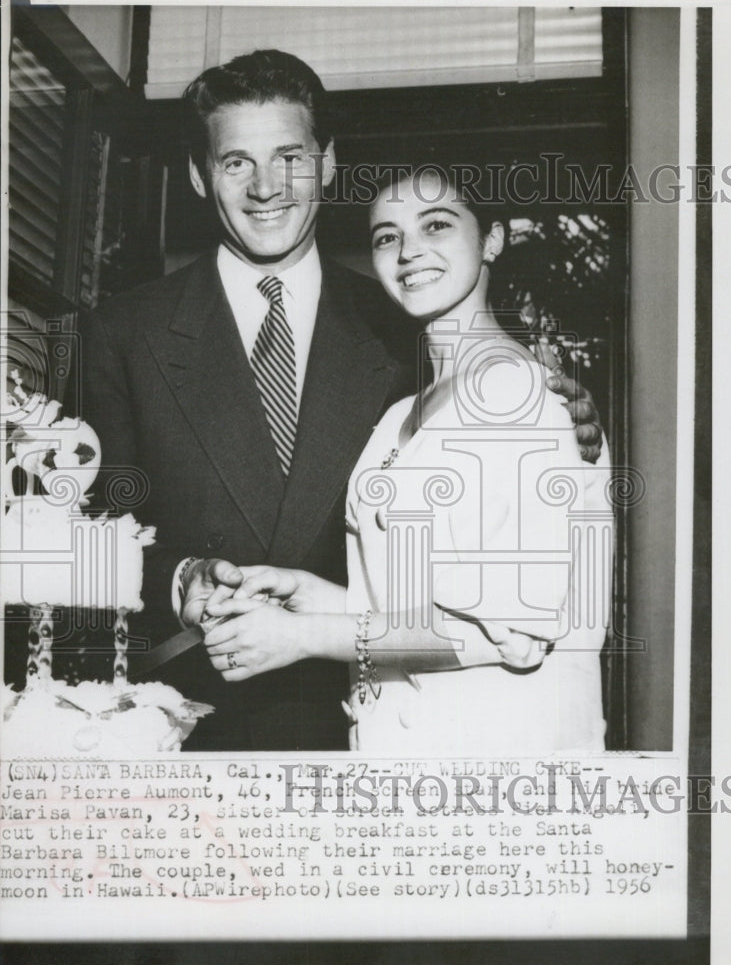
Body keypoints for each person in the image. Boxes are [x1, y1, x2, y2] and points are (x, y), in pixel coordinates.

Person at [76, 49, 603, 751]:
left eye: (289, 157)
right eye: (236, 162)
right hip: (189, 724)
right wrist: (179, 579)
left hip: (387, 720)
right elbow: (80, 541)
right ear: (201, 177)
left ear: (326, 163)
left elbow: (518, 543)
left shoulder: (406, 319)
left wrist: (572, 417)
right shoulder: (120, 332)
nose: (266, 188)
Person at [198, 169, 611, 754]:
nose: (409, 250)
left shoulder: (524, 398)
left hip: (502, 755)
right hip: (398, 749)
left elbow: (514, 631)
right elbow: (407, 610)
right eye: (387, 236)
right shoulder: (400, 415)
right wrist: (303, 592)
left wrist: (303, 637)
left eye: (436, 224)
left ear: (492, 239)